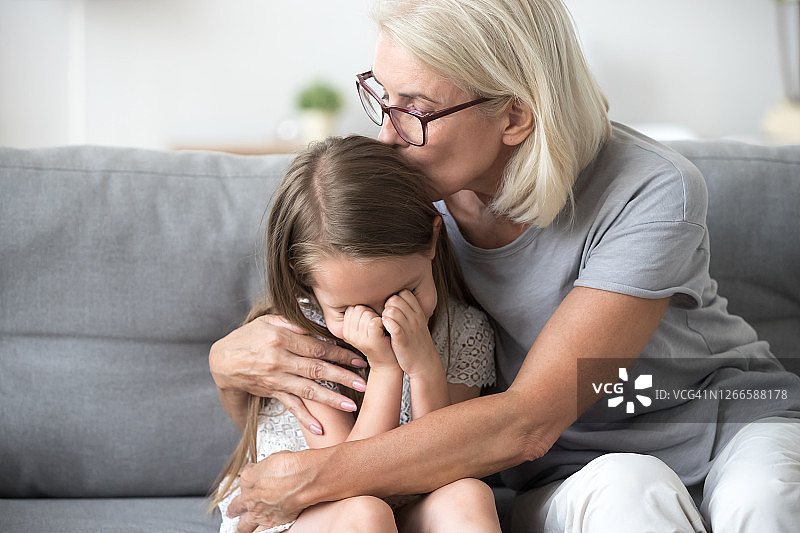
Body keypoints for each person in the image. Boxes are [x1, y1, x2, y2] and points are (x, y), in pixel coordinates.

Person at [210, 0, 800, 531]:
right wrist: (225, 361)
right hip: (567, 470)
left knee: (765, 500)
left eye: (414, 108)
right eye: (382, 98)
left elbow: (528, 420)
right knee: (628, 492)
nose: (387, 135)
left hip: (727, 424)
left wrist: (315, 478)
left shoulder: (650, 189)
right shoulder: (406, 200)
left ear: (515, 117)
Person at [211, 135, 500, 533]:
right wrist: (385, 369)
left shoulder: (463, 331)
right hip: (298, 515)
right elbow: (344, 482)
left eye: (404, 294)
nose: (381, 322)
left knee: (467, 494)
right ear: (306, 282)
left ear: (433, 239)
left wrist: (423, 366)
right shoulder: (298, 344)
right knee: (367, 513)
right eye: (346, 310)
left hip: (403, 504)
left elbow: (439, 465)